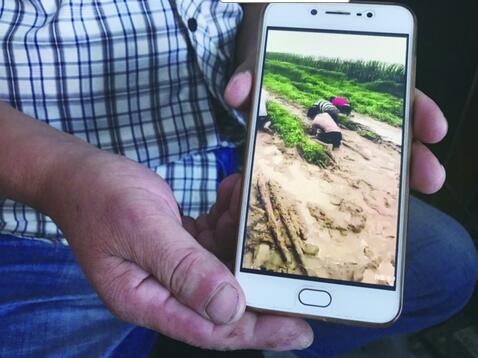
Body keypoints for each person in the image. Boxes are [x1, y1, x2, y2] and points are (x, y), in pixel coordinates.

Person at [0, 2, 476, 357]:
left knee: (445, 263)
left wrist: (262, 52)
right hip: (46, 217)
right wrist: (57, 176)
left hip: (246, 158)